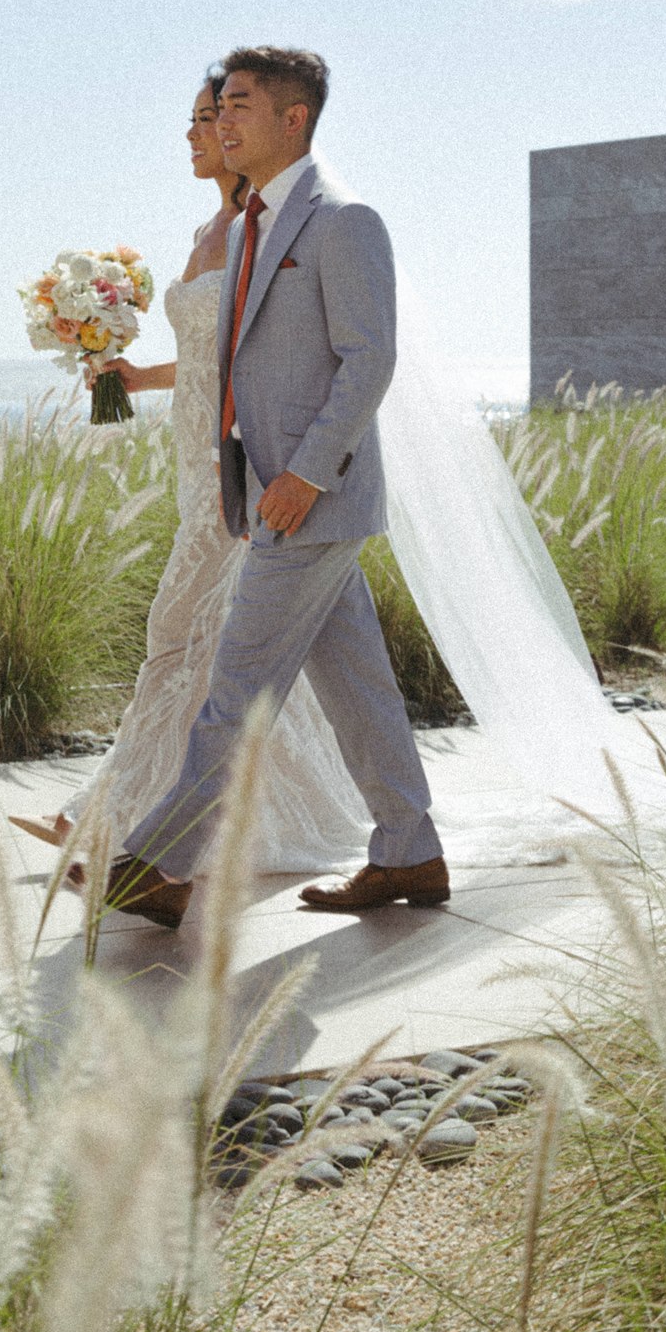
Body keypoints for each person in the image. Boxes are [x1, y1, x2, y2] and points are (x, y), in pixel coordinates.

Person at [96, 48, 449, 932]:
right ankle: (411, 851)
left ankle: (157, 863)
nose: (221, 121)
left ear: (294, 118)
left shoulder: (344, 221)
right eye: (219, 107)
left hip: (308, 497)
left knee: (237, 683)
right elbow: (232, 360)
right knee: (359, 686)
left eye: (239, 105)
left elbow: (369, 359)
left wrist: (301, 476)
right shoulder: (248, 225)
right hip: (255, 491)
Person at [9, 71, 371, 874]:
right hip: (194, 451)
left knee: (184, 632)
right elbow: (217, 349)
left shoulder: (276, 229)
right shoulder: (213, 230)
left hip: (242, 460)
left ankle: (121, 822)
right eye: (198, 119)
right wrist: (135, 376)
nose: (197, 134)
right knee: (207, 639)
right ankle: (154, 813)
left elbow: (283, 355)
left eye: (214, 118)